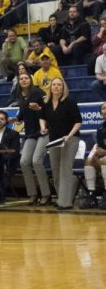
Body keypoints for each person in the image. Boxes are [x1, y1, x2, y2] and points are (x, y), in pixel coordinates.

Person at [40, 78, 82, 210]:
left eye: (59, 85)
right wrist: (43, 127)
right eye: (54, 85)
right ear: (50, 87)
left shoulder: (70, 102)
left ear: (63, 88)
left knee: (65, 168)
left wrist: (69, 136)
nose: (56, 87)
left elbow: (78, 122)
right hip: (54, 140)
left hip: (70, 139)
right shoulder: (46, 102)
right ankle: (63, 195)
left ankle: (65, 202)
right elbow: (42, 117)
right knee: (56, 170)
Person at [15, 71, 51, 205]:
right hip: (30, 133)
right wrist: (17, 119)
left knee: (36, 161)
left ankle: (46, 194)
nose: (24, 80)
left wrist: (39, 108)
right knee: (24, 162)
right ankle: (32, 194)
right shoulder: (20, 96)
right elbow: (24, 112)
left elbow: (47, 110)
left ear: (30, 80)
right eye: (21, 79)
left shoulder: (38, 92)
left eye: (26, 78)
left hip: (43, 131)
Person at [0, 111, 21, 201]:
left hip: (6, 163)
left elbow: (15, 152)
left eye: (2, 119)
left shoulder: (13, 134)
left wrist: (3, 158)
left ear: (6, 121)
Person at [82, 103, 106, 208]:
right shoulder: (101, 128)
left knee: (105, 161)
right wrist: (96, 153)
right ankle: (92, 195)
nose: (105, 110)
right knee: (89, 161)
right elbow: (100, 146)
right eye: (104, 108)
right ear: (101, 113)